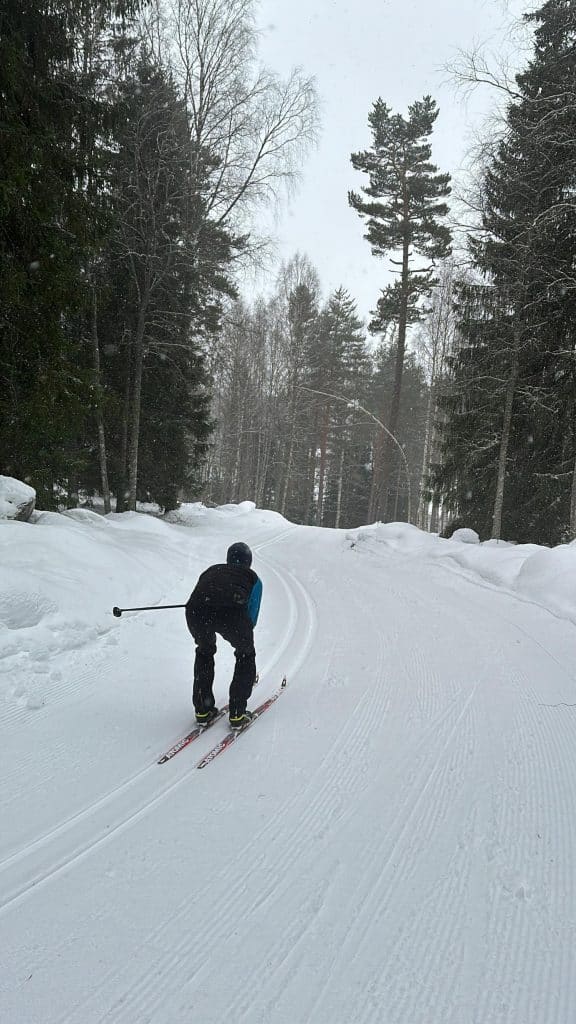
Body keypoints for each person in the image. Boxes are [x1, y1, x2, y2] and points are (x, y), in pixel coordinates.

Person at [185, 542, 262, 729]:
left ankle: (203, 710)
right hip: (231, 614)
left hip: (196, 611)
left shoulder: (211, 570)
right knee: (245, 654)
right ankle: (237, 713)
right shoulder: (253, 578)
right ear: (248, 562)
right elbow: (252, 617)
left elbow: (199, 593)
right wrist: (242, 638)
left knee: (205, 651)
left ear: (228, 559)